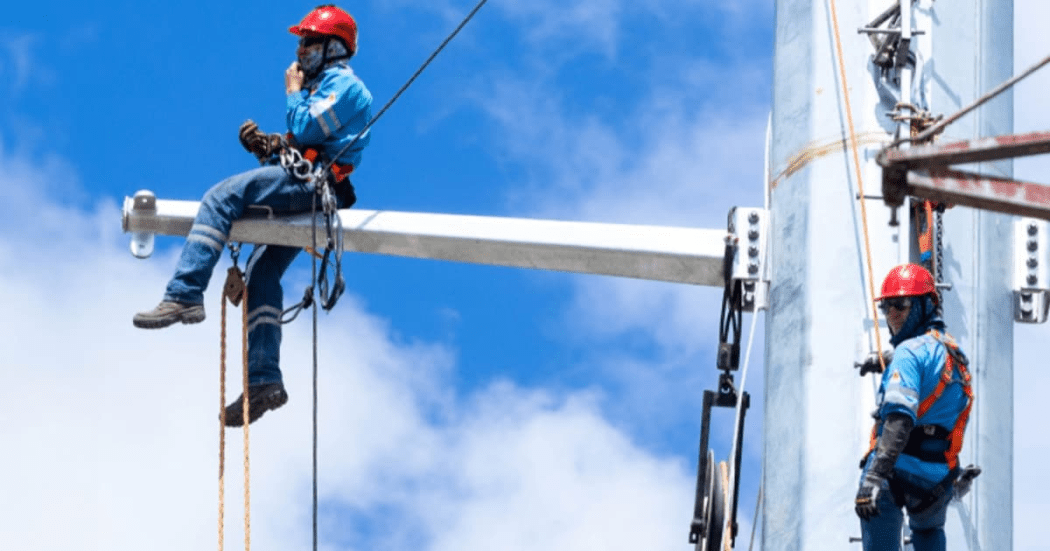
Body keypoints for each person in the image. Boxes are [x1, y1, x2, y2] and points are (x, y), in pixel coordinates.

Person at [133, 5, 373, 426]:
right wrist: (270, 148)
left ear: (334, 48)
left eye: (309, 43)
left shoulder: (348, 88)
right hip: (311, 185)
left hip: (315, 187)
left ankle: (185, 294)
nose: (300, 51)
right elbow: (303, 141)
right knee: (263, 274)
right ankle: (265, 379)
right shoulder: (327, 87)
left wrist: (293, 91)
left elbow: (306, 127)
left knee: (221, 198)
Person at [855, 264, 975, 551]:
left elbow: (899, 419)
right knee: (930, 530)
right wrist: (890, 358)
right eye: (886, 308)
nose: (892, 316)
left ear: (924, 306)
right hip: (935, 482)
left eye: (901, 305)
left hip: (896, 470)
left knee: (878, 520)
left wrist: (874, 476)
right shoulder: (956, 358)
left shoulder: (908, 354)